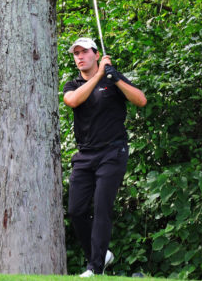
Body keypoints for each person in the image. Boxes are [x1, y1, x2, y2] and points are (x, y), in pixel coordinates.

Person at [63, 37, 147, 278]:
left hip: (113, 152)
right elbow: (72, 101)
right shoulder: (73, 84)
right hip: (85, 155)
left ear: (96, 55)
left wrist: (116, 77)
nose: (79, 57)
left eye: (84, 52)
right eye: (76, 53)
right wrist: (99, 76)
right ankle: (100, 255)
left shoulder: (113, 79)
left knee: (101, 208)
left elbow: (140, 100)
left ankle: (95, 267)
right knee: (76, 211)